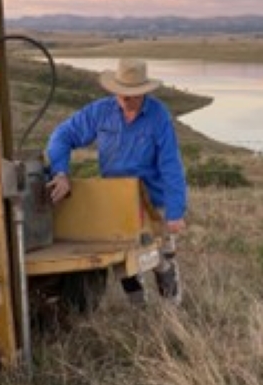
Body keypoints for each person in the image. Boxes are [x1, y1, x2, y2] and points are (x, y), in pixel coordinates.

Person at [46, 58, 187, 305]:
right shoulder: (100, 112)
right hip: (117, 198)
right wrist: (60, 173)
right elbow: (62, 136)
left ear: (143, 92)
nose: (126, 100)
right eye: (121, 94)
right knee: (122, 260)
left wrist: (175, 212)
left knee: (161, 255)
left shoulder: (158, 116)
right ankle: (139, 309)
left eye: (132, 95)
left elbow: (171, 164)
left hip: (153, 198)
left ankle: (171, 308)